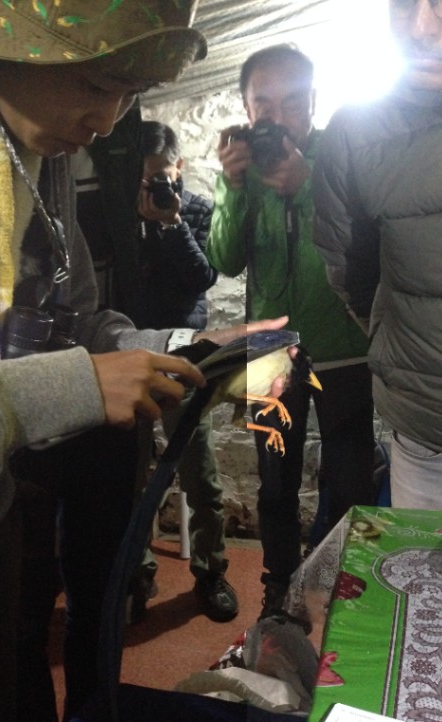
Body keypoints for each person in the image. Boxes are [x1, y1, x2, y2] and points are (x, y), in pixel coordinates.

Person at [0, 2, 291, 720]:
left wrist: (176, 351)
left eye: (130, 93)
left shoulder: (40, 144)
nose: (108, 120)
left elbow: (76, 320)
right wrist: (70, 386)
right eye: (96, 85)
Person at [207, 44, 376, 620]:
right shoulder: (244, 169)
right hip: (269, 352)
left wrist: (307, 184)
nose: (277, 116)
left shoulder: (341, 155)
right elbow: (224, 259)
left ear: (314, 101)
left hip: (344, 347)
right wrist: (231, 188)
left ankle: (342, 590)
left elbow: (365, 243)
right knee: (275, 482)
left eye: (293, 102)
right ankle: (279, 593)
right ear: (246, 107)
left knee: (349, 480)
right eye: (264, 104)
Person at [312, 0, 442, 510]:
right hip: (430, 443)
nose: (419, 28)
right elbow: (351, 270)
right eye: (402, 3)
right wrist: (409, 356)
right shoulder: (358, 133)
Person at [132, 120, 238, 624]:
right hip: (131, 352)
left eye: (161, 175)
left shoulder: (196, 209)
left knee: (200, 474)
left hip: (181, 354)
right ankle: (137, 571)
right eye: (144, 178)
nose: (153, 186)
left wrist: (171, 224)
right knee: (129, 475)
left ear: (179, 166)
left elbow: (203, 277)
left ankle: (211, 571)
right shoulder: (123, 211)